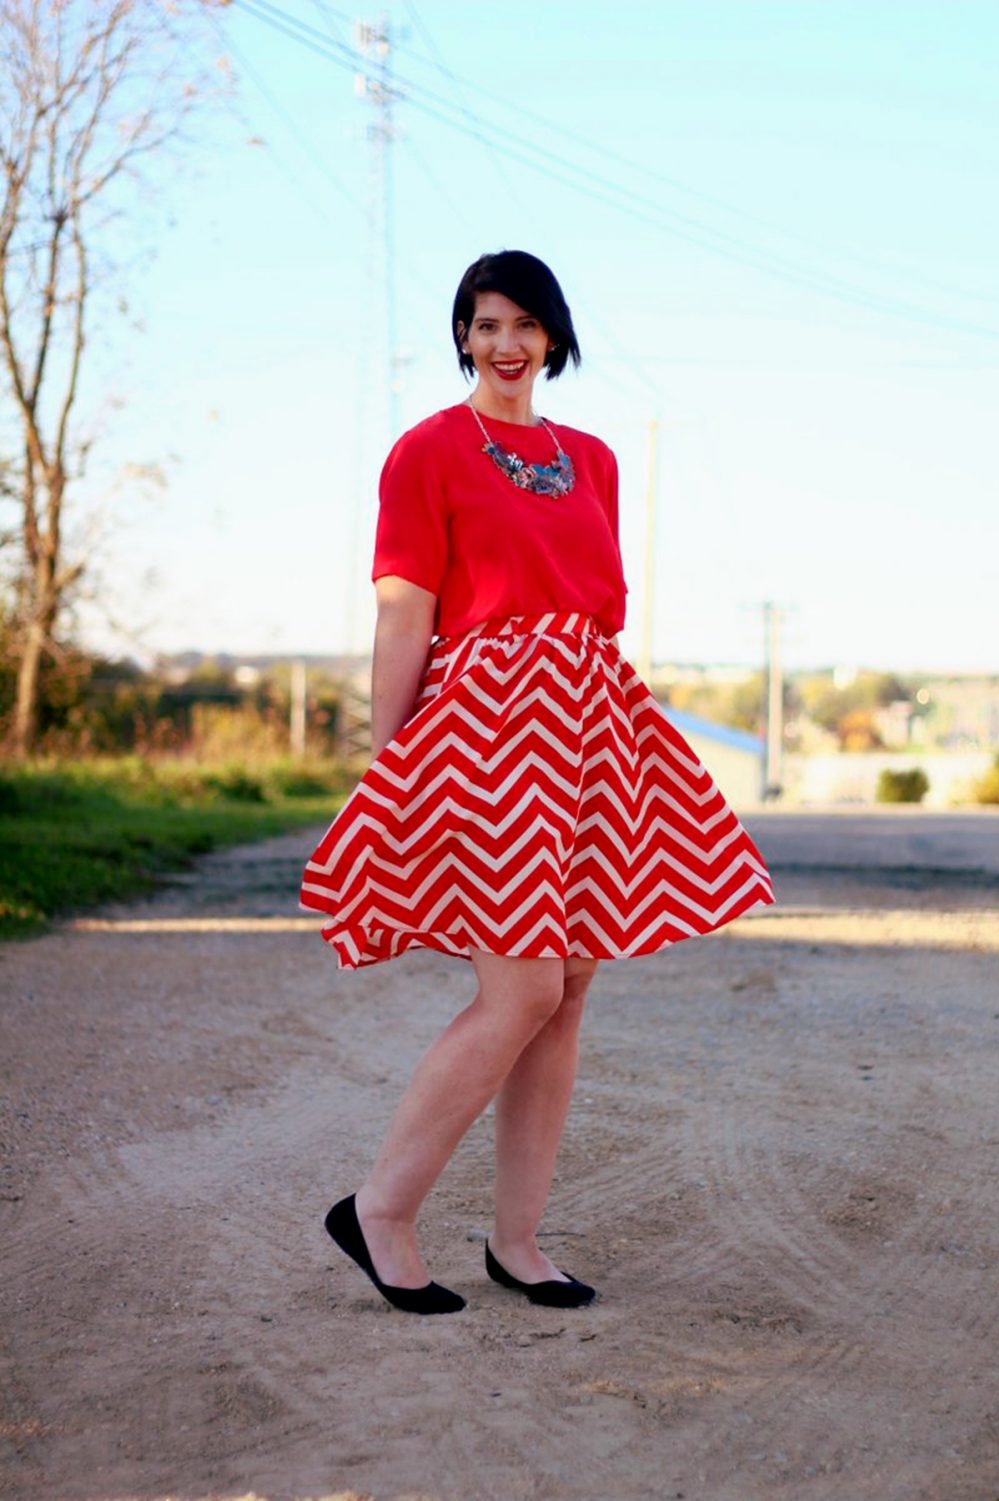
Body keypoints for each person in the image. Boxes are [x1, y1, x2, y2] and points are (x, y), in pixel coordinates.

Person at [300, 249, 775, 1315]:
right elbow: (402, 613)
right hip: (486, 728)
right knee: (517, 987)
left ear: (553, 336)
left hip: (585, 720)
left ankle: (517, 1240)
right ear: (461, 336)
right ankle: (380, 1208)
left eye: (524, 323)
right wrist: (393, 762)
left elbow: (596, 607)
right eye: (483, 323)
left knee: (565, 993)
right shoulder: (424, 453)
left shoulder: (593, 460)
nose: (504, 343)